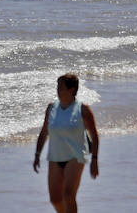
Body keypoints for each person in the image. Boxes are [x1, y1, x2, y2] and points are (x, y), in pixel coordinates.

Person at [33, 72, 99, 213]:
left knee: (68, 195)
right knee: (55, 199)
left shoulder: (82, 109)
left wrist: (94, 160)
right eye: (57, 86)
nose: (58, 90)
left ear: (72, 90)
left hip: (75, 157)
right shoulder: (51, 108)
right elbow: (44, 132)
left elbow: (94, 135)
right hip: (55, 157)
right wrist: (37, 154)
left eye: (61, 87)